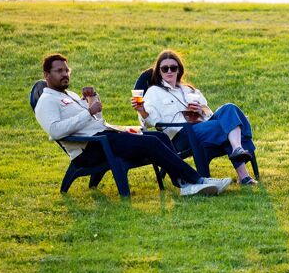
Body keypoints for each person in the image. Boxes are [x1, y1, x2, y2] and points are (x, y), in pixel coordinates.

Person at [34, 54, 231, 196]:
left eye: (66, 70)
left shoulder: (71, 95)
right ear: (47, 75)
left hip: (104, 137)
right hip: (90, 149)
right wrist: (88, 112)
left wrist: (92, 100)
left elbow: (95, 120)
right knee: (150, 143)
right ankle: (196, 180)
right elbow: (55, 131)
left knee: (159, 137)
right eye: (59, 71)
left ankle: (184, 182)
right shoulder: (47, 101)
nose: (65, 74)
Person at [132, 50, 257, 185]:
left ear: (179, 70)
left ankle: (237, 149)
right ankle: (243, 172)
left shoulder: (188, 89)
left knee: (230, 109)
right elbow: (152, 122)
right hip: (181, 135)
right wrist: (142, 110)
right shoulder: (154, 92)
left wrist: (200, 110)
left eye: (173, 68)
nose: (169, 71)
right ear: (159, 71)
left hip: (202, 126)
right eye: (164, 68)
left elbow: (207, 112)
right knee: (231, 125)